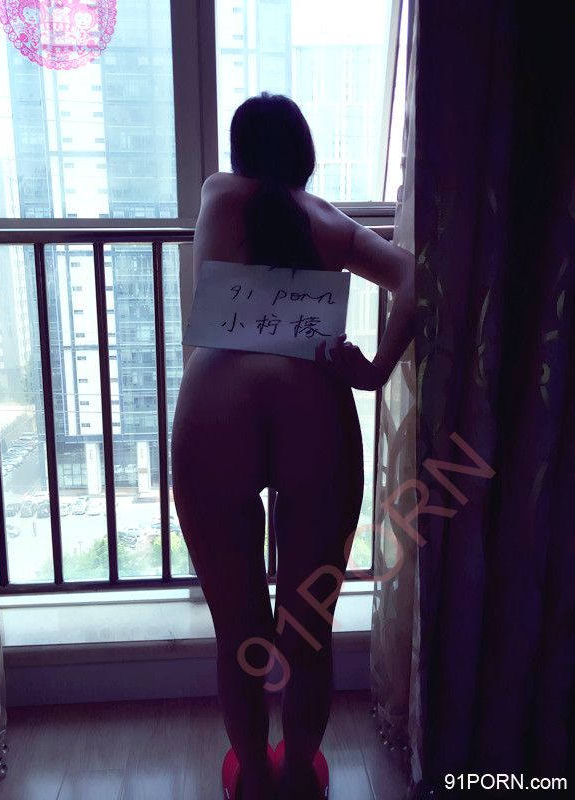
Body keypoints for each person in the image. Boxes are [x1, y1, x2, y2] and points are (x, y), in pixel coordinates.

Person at [171, 92, 414, 800]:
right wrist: (375, 371)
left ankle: (252, 777)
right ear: (305, 155)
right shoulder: (332, 223)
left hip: (214, 403)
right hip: (316, 405)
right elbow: (413, 279)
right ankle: (301, 776)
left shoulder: (219, 193)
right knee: (307, 632)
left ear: (239, 153)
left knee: (238, 631)